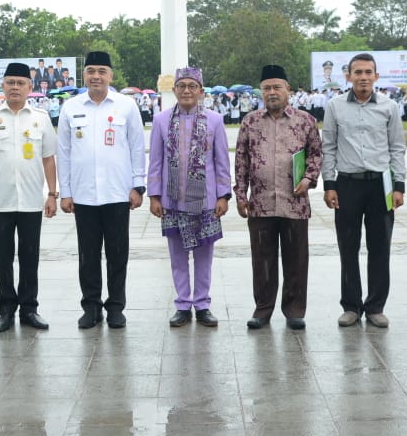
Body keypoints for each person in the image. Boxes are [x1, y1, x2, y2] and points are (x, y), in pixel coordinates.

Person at [57, 51, 146, 329]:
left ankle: (116, 307)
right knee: (88, 255)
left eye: (101, 71)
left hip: (117, 193)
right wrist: (66, 192)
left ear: (111, 75)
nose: (96, 76)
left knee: (118, 253)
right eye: (91, 70)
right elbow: (64, 152)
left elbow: (136, 147)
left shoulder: (126, 105)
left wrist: (138, 186)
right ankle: (91, 306)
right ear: (84, 75)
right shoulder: (71, 107)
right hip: (83, 195)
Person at [0, 63, 59, 332]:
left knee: (30, 257)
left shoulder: (41, 117)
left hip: (32, 200)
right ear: (2, 86)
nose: (15, 87)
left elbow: (48, 160)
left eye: (21, 83)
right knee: (3, 257)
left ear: (30, 88)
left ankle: (29, 309)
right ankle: (6, 309)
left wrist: (53, 194)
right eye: (10, 82)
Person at [234, 64, 322, 330]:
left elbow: (316, 153)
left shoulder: (305, 121)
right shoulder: (250, 121)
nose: (272, 92)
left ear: (288, 90)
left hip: (294, 204)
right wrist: (240, 193)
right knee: (262, 261)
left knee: (296, 259)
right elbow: (241, 159)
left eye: (277, 87)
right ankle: (262, 309)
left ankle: (295, 310)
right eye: (267, 88)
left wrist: (309, 179)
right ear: (261, 92)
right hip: (260, 205)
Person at [321, 53, 406, 328]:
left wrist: (399, 186)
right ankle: (351, 306)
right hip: (347, 184)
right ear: (348, 76)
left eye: (369, 72)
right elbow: (329, 147)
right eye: (358, 72)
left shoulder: (389, 107)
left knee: (380, 247)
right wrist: (329, 184)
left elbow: (397, 148)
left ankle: (376, 306)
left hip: (381, 185)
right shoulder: (334, 106)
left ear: (376, 76)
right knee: (348, 247)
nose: (363, 77)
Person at [147, 67, 231, 328]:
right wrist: (154, 195)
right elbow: (156, 161)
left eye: (192, 86)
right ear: (174, 90)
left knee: (205, 255)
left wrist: (224, 195)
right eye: (182, 86)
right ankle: (183, 304)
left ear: (201, 91)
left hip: (206, 200)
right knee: (178, 256)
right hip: (173, 200)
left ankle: (203, 304)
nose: (186, 91)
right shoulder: (161, 121)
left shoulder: (215, 120)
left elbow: (221, 161)